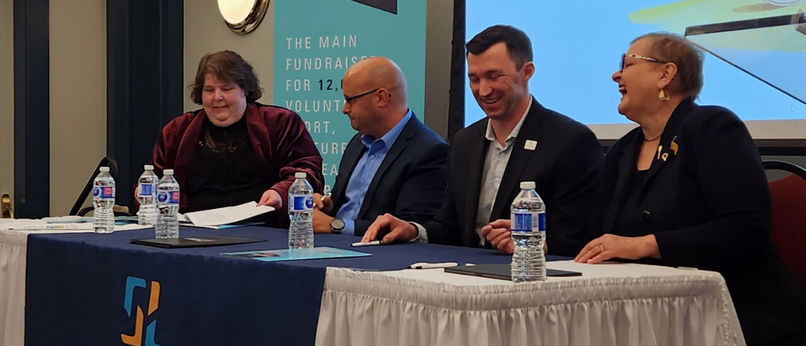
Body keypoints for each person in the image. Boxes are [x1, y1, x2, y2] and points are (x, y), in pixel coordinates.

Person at [574, 32, 806, 346]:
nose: (615, 76)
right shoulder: (623, 151)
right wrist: (532, 240)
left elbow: (744, 229)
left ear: (665, 75)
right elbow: (598, 240)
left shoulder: (713, 128)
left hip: (744, 325)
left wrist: (646, 245)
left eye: (627, 63)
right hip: (657, 325)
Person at [362, 25, 603, 255]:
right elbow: (450, 228)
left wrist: (528, 242)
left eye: (494, 76)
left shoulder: (570, 142)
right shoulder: (464, 142)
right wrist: (414, 231)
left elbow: (579, 239)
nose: (484, 90)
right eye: (474, 79)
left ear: (527, 72)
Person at [151, 50, 324, 225]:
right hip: (193, 227)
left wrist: (280, 193)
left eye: (227, 89)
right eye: (209, 90)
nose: (217, 97)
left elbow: (307, 171)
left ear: (245, 90)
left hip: (265, 226)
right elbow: (157, 178)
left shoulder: (280, 122)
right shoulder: (176, 130)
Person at [312, 57, 448, 236]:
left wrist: (336, 225)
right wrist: (325, 207)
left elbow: (405, 230)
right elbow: (343, 207)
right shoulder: (357, 143)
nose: (344, 109)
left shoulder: (430, 152)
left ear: (381, 98)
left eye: (350, 100)